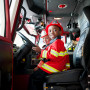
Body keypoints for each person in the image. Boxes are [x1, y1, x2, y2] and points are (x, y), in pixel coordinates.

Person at [28, 20, 70, 90]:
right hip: (56, 65)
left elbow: (53, 56)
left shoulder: (57, 42)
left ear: (60, 32)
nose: (52, 32)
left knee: (34, 77)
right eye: (50, 31)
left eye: (55, 30)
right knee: (37, 76)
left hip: (54, 66)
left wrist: (41, 51)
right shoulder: (55, 43)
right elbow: (47, 59)